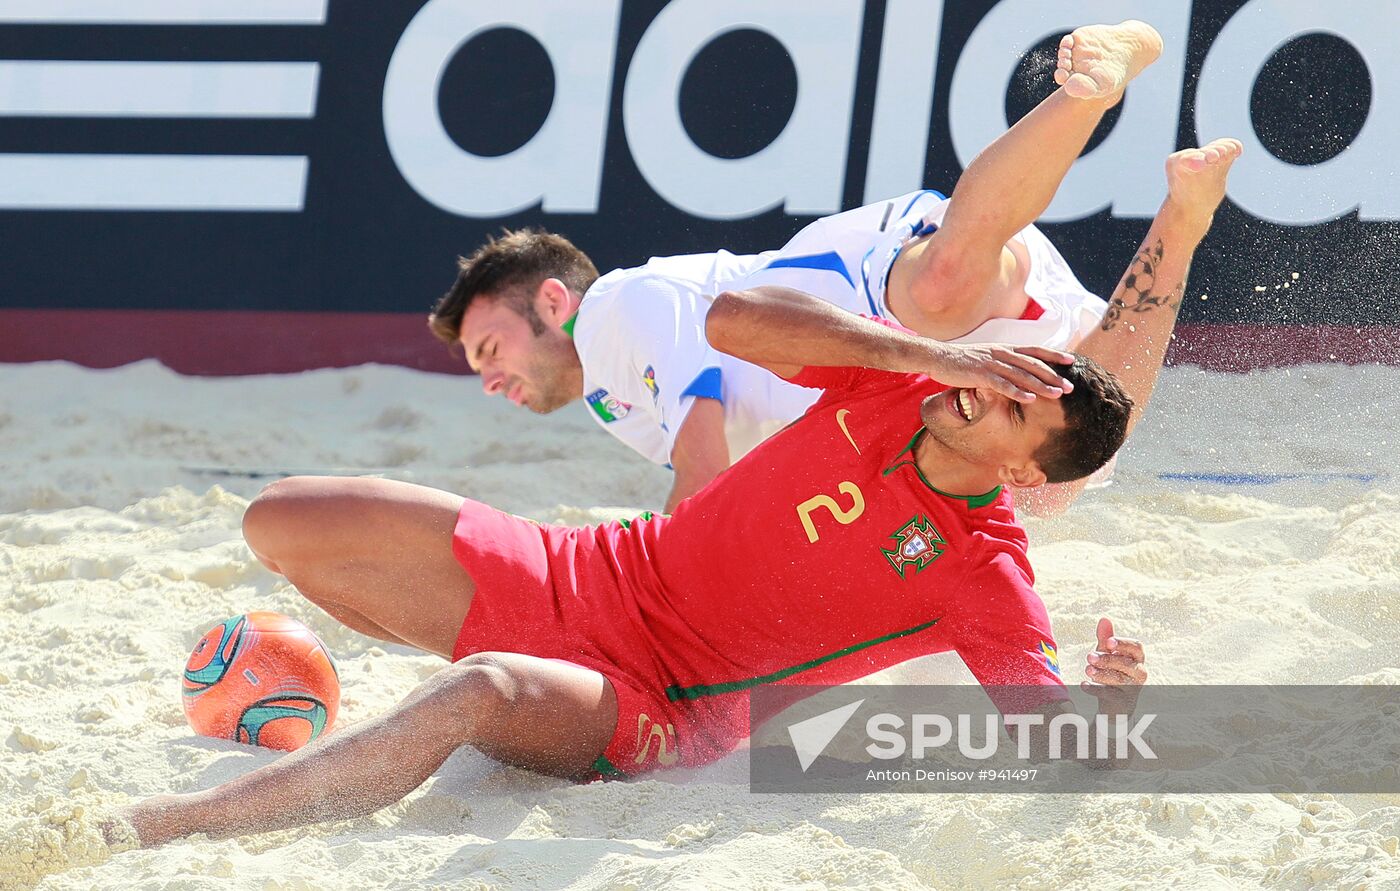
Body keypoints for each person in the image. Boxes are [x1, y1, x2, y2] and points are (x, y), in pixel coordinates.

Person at [116, 287, 1145, 848]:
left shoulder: (983, 568)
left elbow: (1053, 740)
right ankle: (421, 726)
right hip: (591, 571)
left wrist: (1105, 713)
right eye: (1005, 372)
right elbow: (730, 320)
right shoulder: (900, 383)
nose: (983, 392)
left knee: (477, 692)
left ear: (1021, 470)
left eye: (1011, 405)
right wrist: (931, 356)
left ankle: (186, 821)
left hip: (662, 700)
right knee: (281, 519)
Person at [429, 21, 1206, 514]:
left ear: (555, 299)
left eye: (490, 349)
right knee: (1070, 452)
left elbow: (703, 464)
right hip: (894, 379)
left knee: (941, 290)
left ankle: (1087, 89)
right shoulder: (612, 406)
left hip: (851, 290)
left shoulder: (614, 310)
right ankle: (1186, 216)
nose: (489, 380)